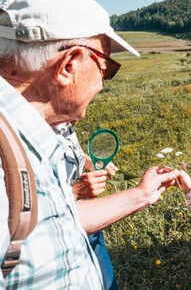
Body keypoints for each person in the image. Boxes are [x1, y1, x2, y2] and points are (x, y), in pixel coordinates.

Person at [0, 0, 179, 288]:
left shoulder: (34, 135)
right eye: (105, 67)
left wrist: (142, 194)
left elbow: (56, 222)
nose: (102, 82)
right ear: (68, 66)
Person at [54, 122, 119, 290]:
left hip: (86, 221)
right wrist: (73, 192)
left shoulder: (63, 118)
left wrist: (88, 162)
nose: (78, 118)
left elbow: (63, 150)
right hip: (59, 233)